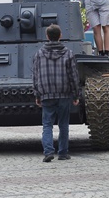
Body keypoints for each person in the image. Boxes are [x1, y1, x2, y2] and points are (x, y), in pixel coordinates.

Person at [32, 24, 80, 163]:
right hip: (64, 94)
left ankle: (48, 152)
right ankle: (63, 153)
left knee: (47, 124)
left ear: (47, 36)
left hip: (46, 94)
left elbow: (35, 75)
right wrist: (76, 94)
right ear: (60, 36)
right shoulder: (68, 53)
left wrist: (37, 95)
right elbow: (73, 76)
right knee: (63, 124)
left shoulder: (39, 54)